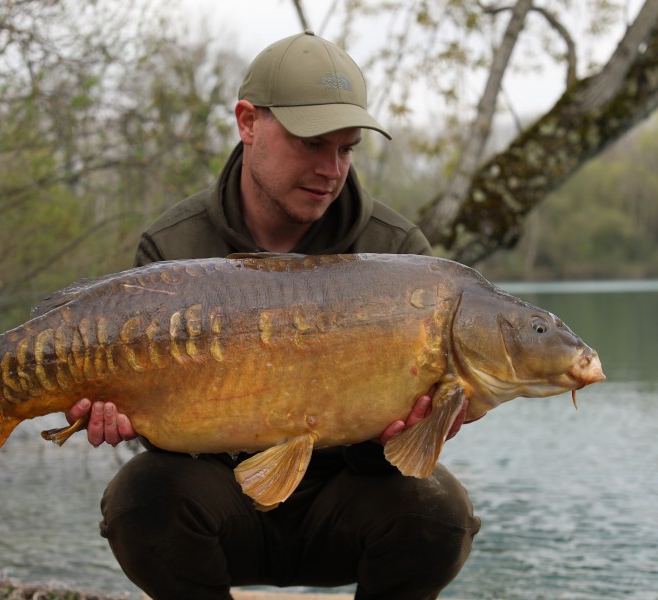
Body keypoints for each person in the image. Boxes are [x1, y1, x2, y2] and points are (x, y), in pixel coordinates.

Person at [66, 30, 481, 600]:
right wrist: (124, 415)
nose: (331, 170)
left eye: (346, 148)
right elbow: (170, 449)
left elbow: (394, 462)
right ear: (247, 122)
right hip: (224, 501)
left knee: (441, 510)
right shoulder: (175, 248)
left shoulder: (400, 257)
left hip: (347, 503)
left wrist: (407, 435)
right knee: (142, 495)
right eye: (312, 143)